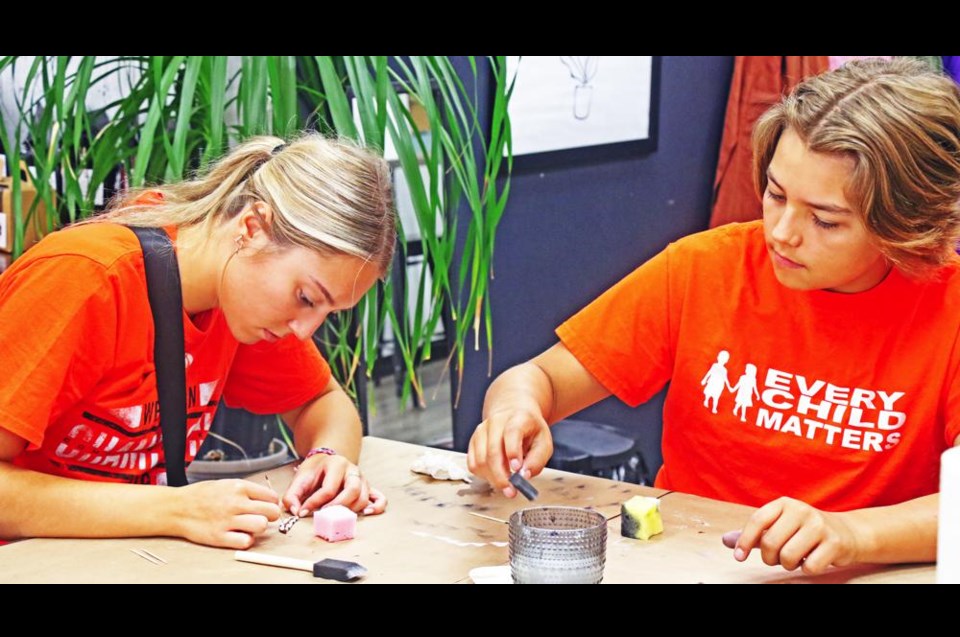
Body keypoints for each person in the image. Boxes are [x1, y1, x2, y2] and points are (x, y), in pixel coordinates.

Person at [467, 57, 960, 575]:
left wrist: (853, 534)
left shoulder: (947, 307)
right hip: (690, 562)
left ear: (908, 223)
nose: (782, 232)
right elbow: (538, 376)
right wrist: (514, 412)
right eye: (775, 194)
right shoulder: (703, 269)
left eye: (825, 220)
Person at [0, 132, 395, 549]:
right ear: (252, 227)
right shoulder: (83, 278)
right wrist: (175, 510)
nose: (304, 329)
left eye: (327, 312)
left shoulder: (240, 292)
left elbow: (324, 403)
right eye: (306, 298)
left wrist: (330, 459)